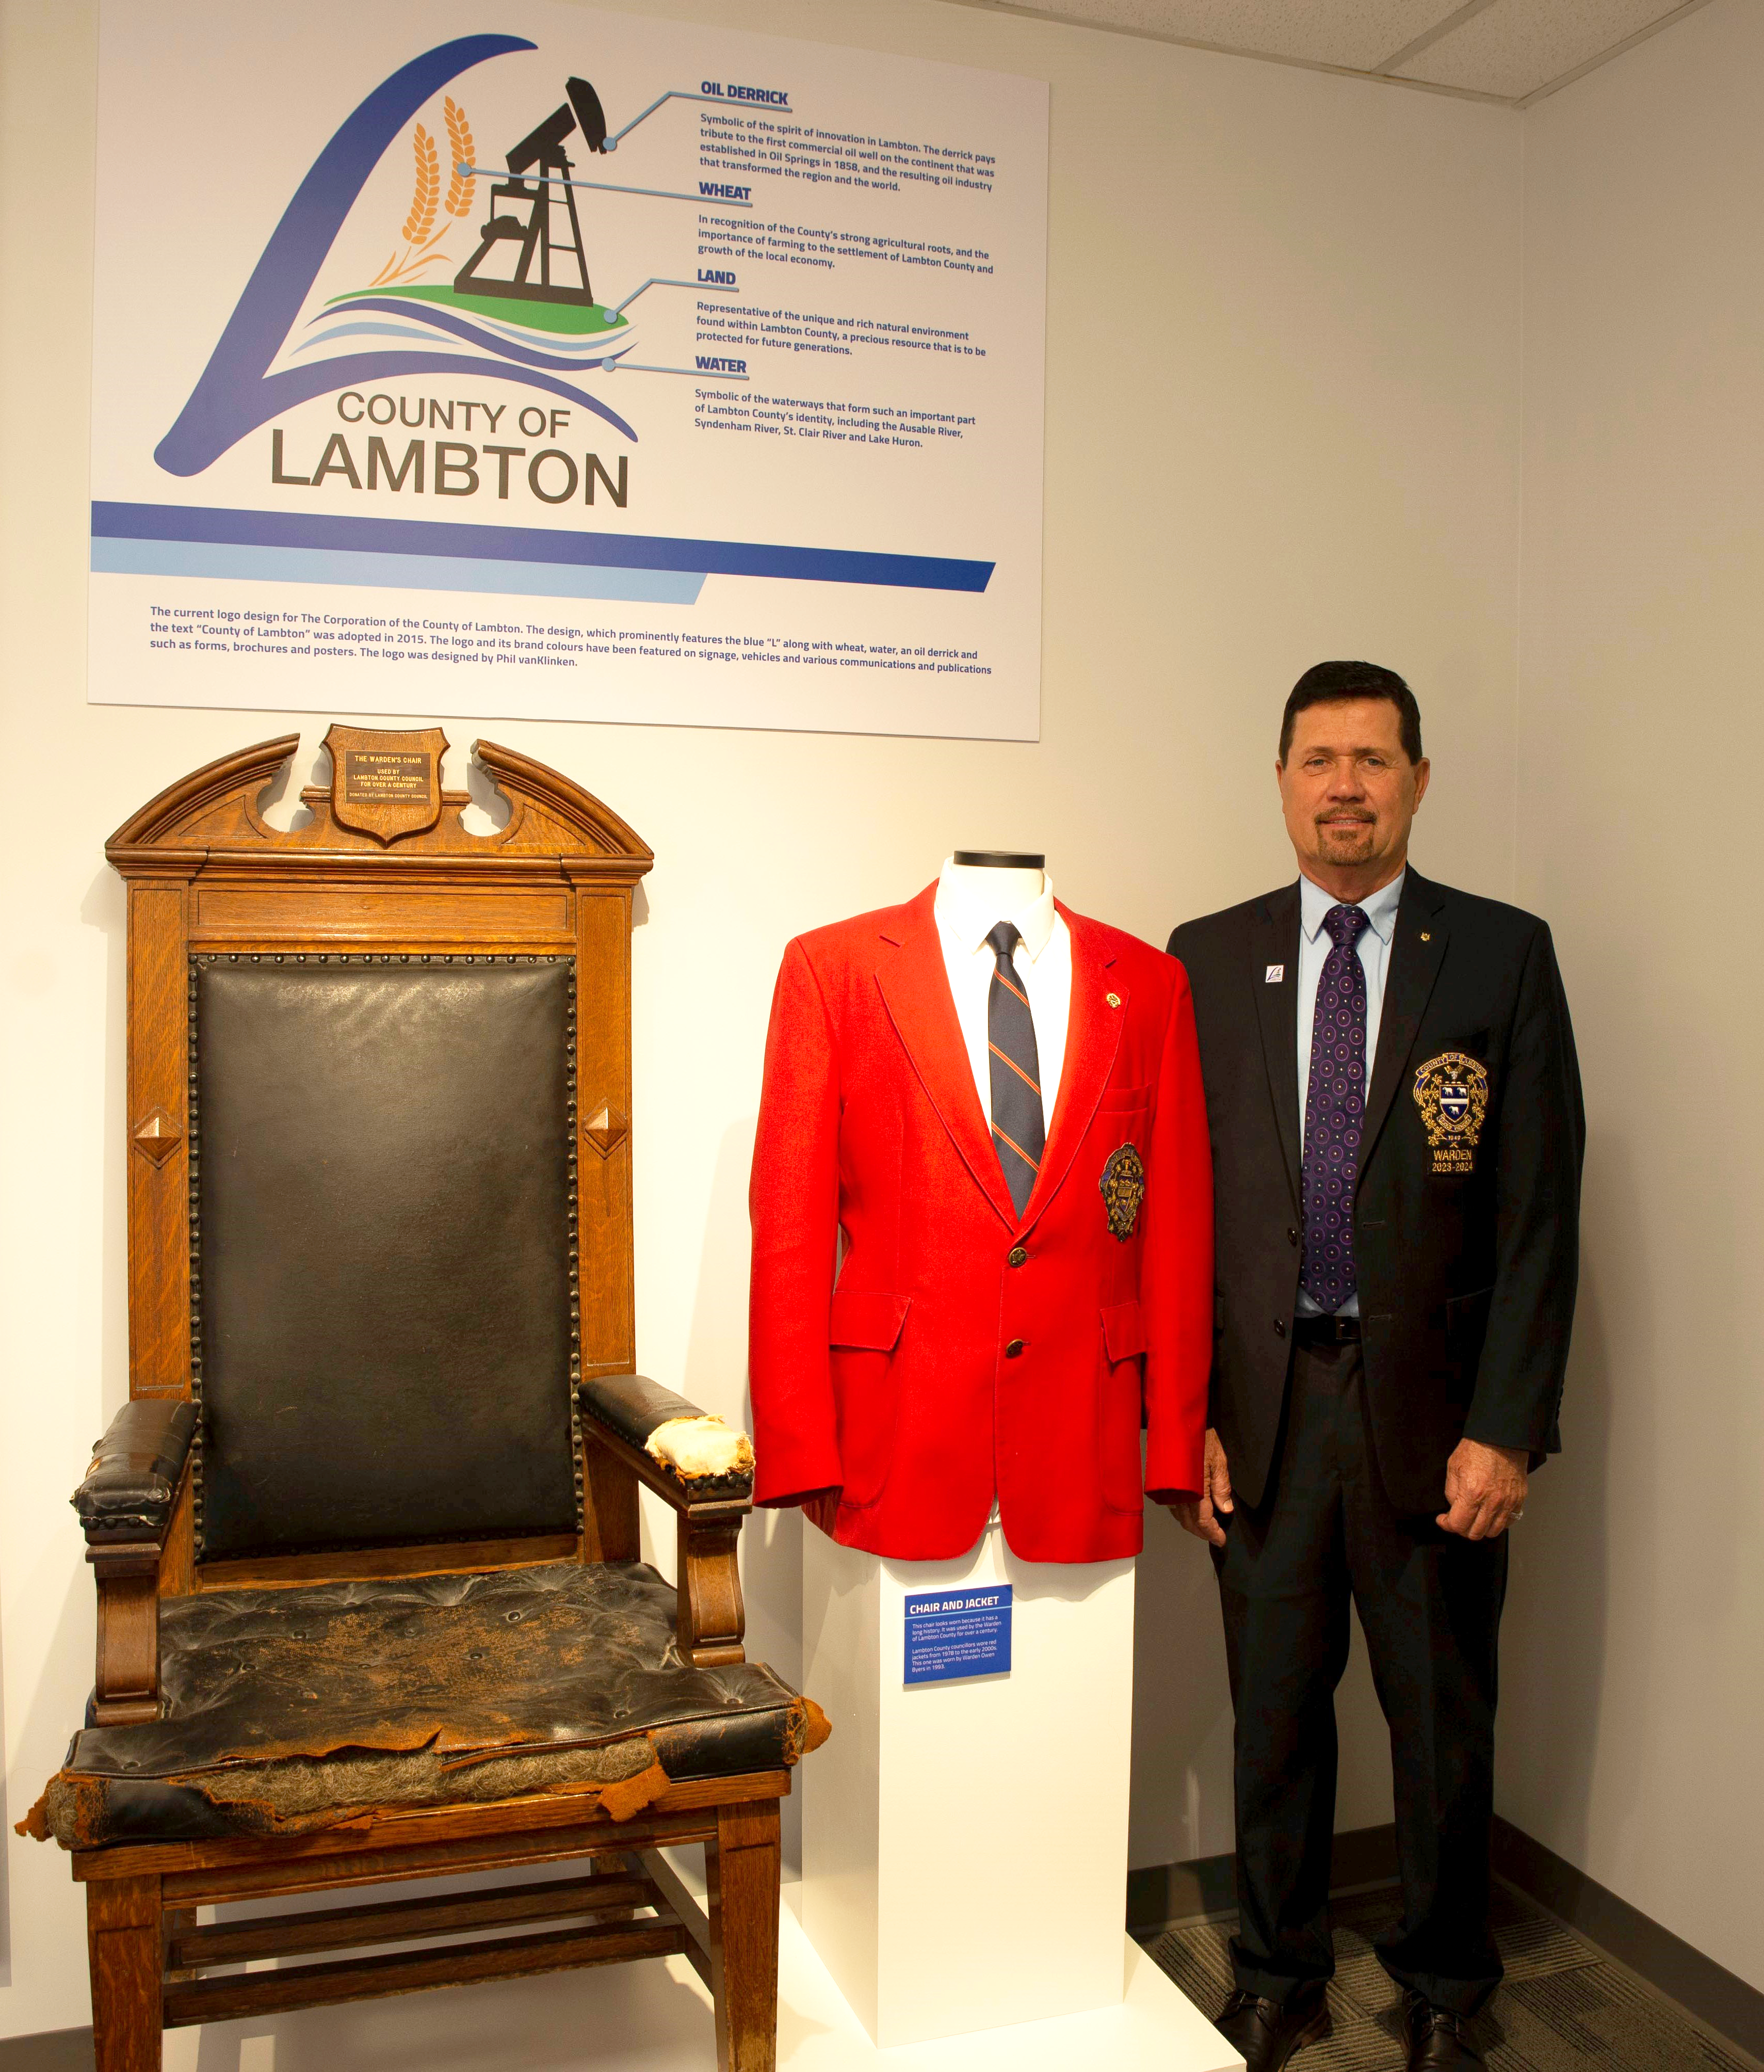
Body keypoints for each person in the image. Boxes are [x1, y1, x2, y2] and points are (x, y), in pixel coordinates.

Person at [1167, 661, 1583, 2072]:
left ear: (1417, 776)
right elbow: (1183, 1214)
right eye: (1320, 757)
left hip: (1438, 1423)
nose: (1346, 783)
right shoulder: (1206, 957)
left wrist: (1510, 1428)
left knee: (1443, 1725)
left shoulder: (1501, 953)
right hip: (1268, 1415)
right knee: (1272, 1717)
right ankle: (1278, 1968)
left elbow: (1538, 1213)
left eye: (1374, 758)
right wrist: (1189, 1423)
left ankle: (1447, 1983)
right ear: (1281, 778)